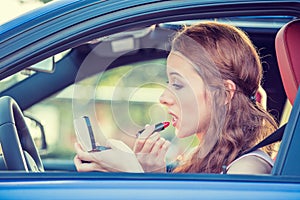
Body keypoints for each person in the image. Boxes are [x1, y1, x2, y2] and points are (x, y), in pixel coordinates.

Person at [74, 21, 278, 174]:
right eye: (168, 83)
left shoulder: (247, 169)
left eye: (178, 84)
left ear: (223, 93)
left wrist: (132, 174)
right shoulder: (202, 159)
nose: (163, 97)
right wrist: (152, 174)